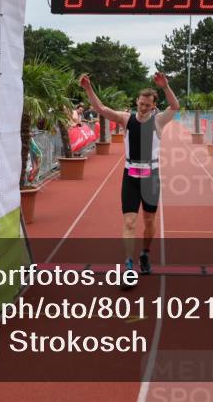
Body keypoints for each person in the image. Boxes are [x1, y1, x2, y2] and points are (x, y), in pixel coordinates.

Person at [79, 72, 179, 277]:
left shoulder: (159, 121)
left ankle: (144, 253)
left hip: (151, 177)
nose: (143, 108)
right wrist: (88, 88)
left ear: (153, 106)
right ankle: (128, 263)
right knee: (129, 222)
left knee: (149, 222)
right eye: (141, 103)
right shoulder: (126, 119)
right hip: (130, 176)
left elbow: (175, 107)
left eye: (147, 105)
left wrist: (166, 87)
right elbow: (100, 109)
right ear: (137, 102)